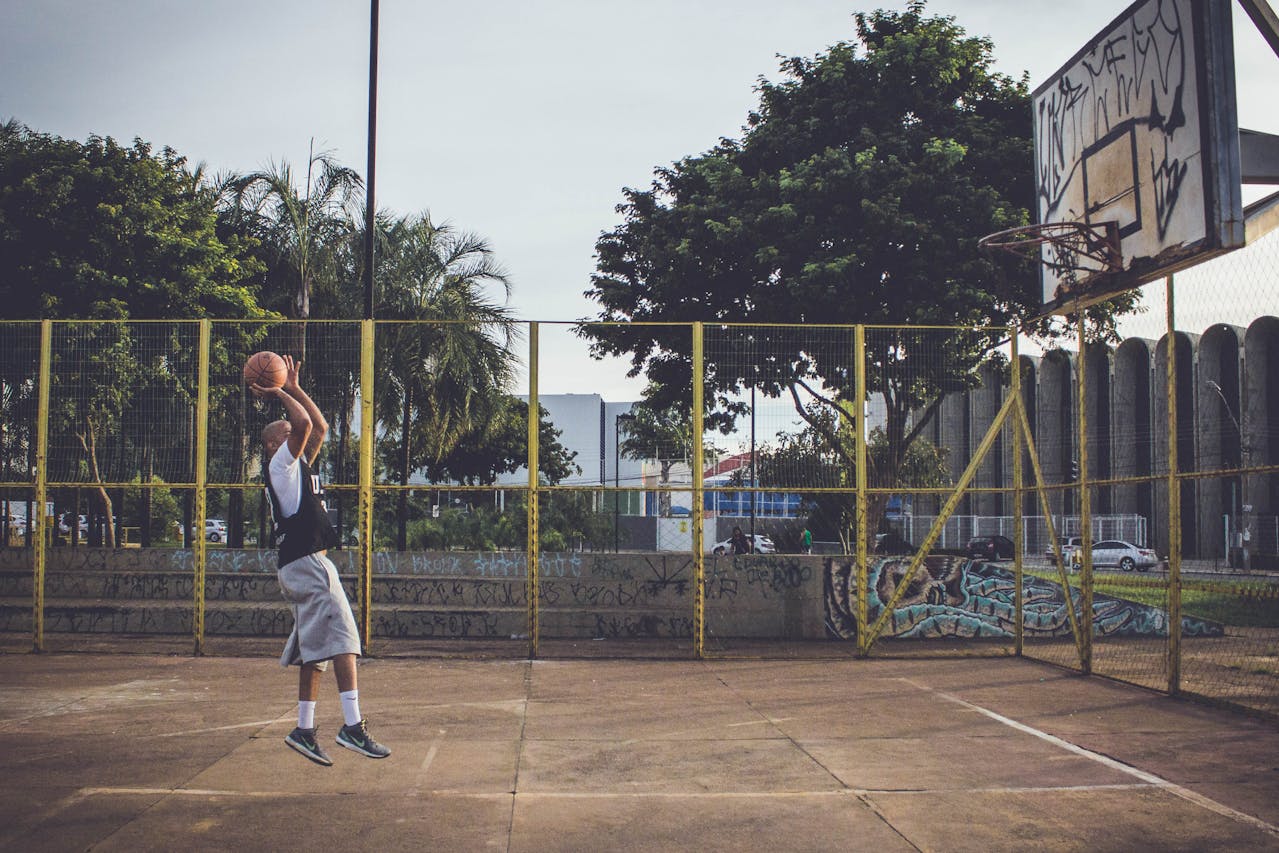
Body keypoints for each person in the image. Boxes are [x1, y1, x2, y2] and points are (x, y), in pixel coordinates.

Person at [252, 355, 390, 766]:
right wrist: (277, 390)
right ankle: (352, 726)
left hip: (301, 564)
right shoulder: (280, 465)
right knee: (345, 639)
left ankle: (304, 729)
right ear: (276, 443)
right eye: (286, 428)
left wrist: (293, 387)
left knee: (318, 652)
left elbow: (319, 425)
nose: (293, 427)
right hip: (307, 564)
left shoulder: (299, 465)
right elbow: (306, 426)